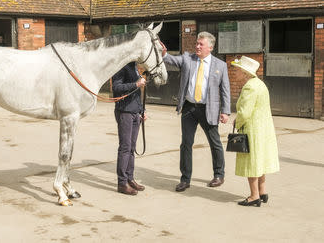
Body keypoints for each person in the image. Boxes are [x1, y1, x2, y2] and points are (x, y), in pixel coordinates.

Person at [161, 31, 230, 192]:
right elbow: (172, 60)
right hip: (189, 108)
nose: (197, 46)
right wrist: (164, 53)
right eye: (197, 44)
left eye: (201, 44)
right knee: (186, 144)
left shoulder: (220, 65)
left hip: (209, 109)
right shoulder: (188, 59)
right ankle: (185, 179)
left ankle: (219, 175)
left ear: (210, 47)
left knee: (215, 143)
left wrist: (226, 111)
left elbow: (225, 90)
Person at [231, 56, 279, 207]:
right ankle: (262, 192)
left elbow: (245, 112)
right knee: (260, 161)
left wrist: (237, 122)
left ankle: (254, 196)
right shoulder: (260, 84)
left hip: (252, 130)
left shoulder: (249, 87)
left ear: (245, 73)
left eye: (237, 70)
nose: (235, 73)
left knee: (251, 162)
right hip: (264, 129)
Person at [112, 62, 147, 195]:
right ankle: (122, 183)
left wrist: (142, 110)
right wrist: (136, 84)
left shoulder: (134, 66)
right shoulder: (120, 66)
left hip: (135, 112)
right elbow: (116, 87)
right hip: (124, 111)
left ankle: (130, 178)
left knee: (131, 148)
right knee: (125, 147)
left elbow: (137, 93)